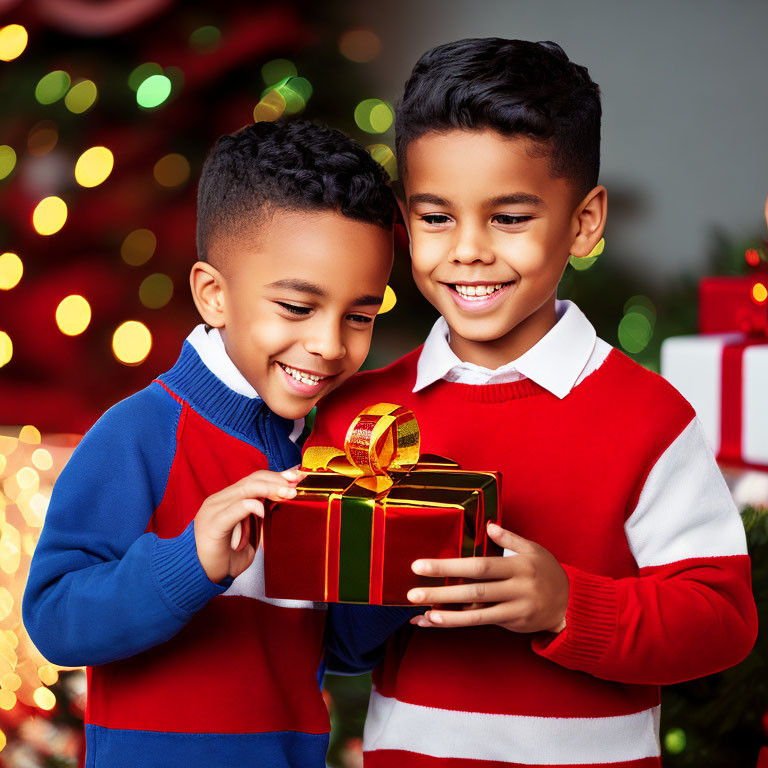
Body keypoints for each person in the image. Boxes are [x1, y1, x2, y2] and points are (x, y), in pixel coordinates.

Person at [306, 39, 758, 767]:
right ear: (404, 220)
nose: (469, 251)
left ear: (584, 223)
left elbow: (723, 620)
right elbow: (315, 626)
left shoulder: (649, 419)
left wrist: (567, 606)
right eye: (436, 218)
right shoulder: (355, 416)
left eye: (510, 218)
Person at [23, 119, 410, 768]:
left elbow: (338, 650)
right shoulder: (137, 435)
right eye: (297, 307)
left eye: (360, 316)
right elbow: (56, 619)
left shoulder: (325, 453)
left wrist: (399, 573)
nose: (329, 344)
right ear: (214, 295)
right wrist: (189, 563)